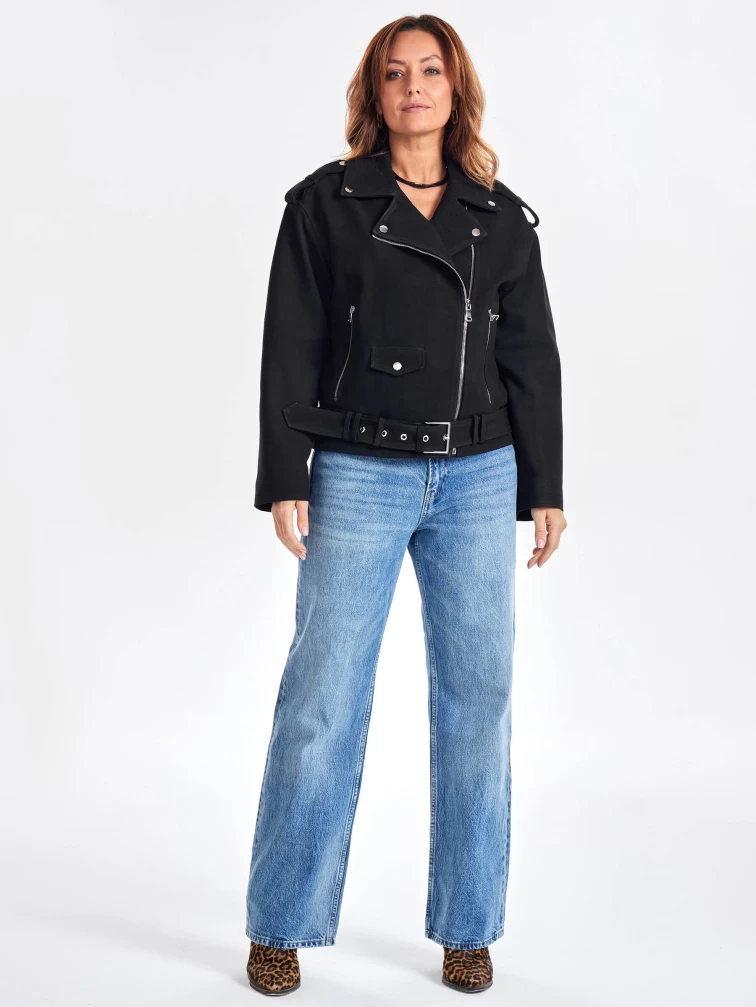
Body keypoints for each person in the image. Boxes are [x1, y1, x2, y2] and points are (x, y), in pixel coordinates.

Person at [244, 13, 567, 996]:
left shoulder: (499, 218)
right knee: (322, 698)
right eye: (395, 73)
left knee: (480, 698)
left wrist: (544, 484)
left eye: (430, 70)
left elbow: (531, 354)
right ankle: (281, 922)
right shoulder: (326, 204)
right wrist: (287, 473)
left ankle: (469, 926)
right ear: (374, 93)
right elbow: (290, 340)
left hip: (479, 474)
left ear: (454, 87)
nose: (414, 86)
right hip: (359, 468)